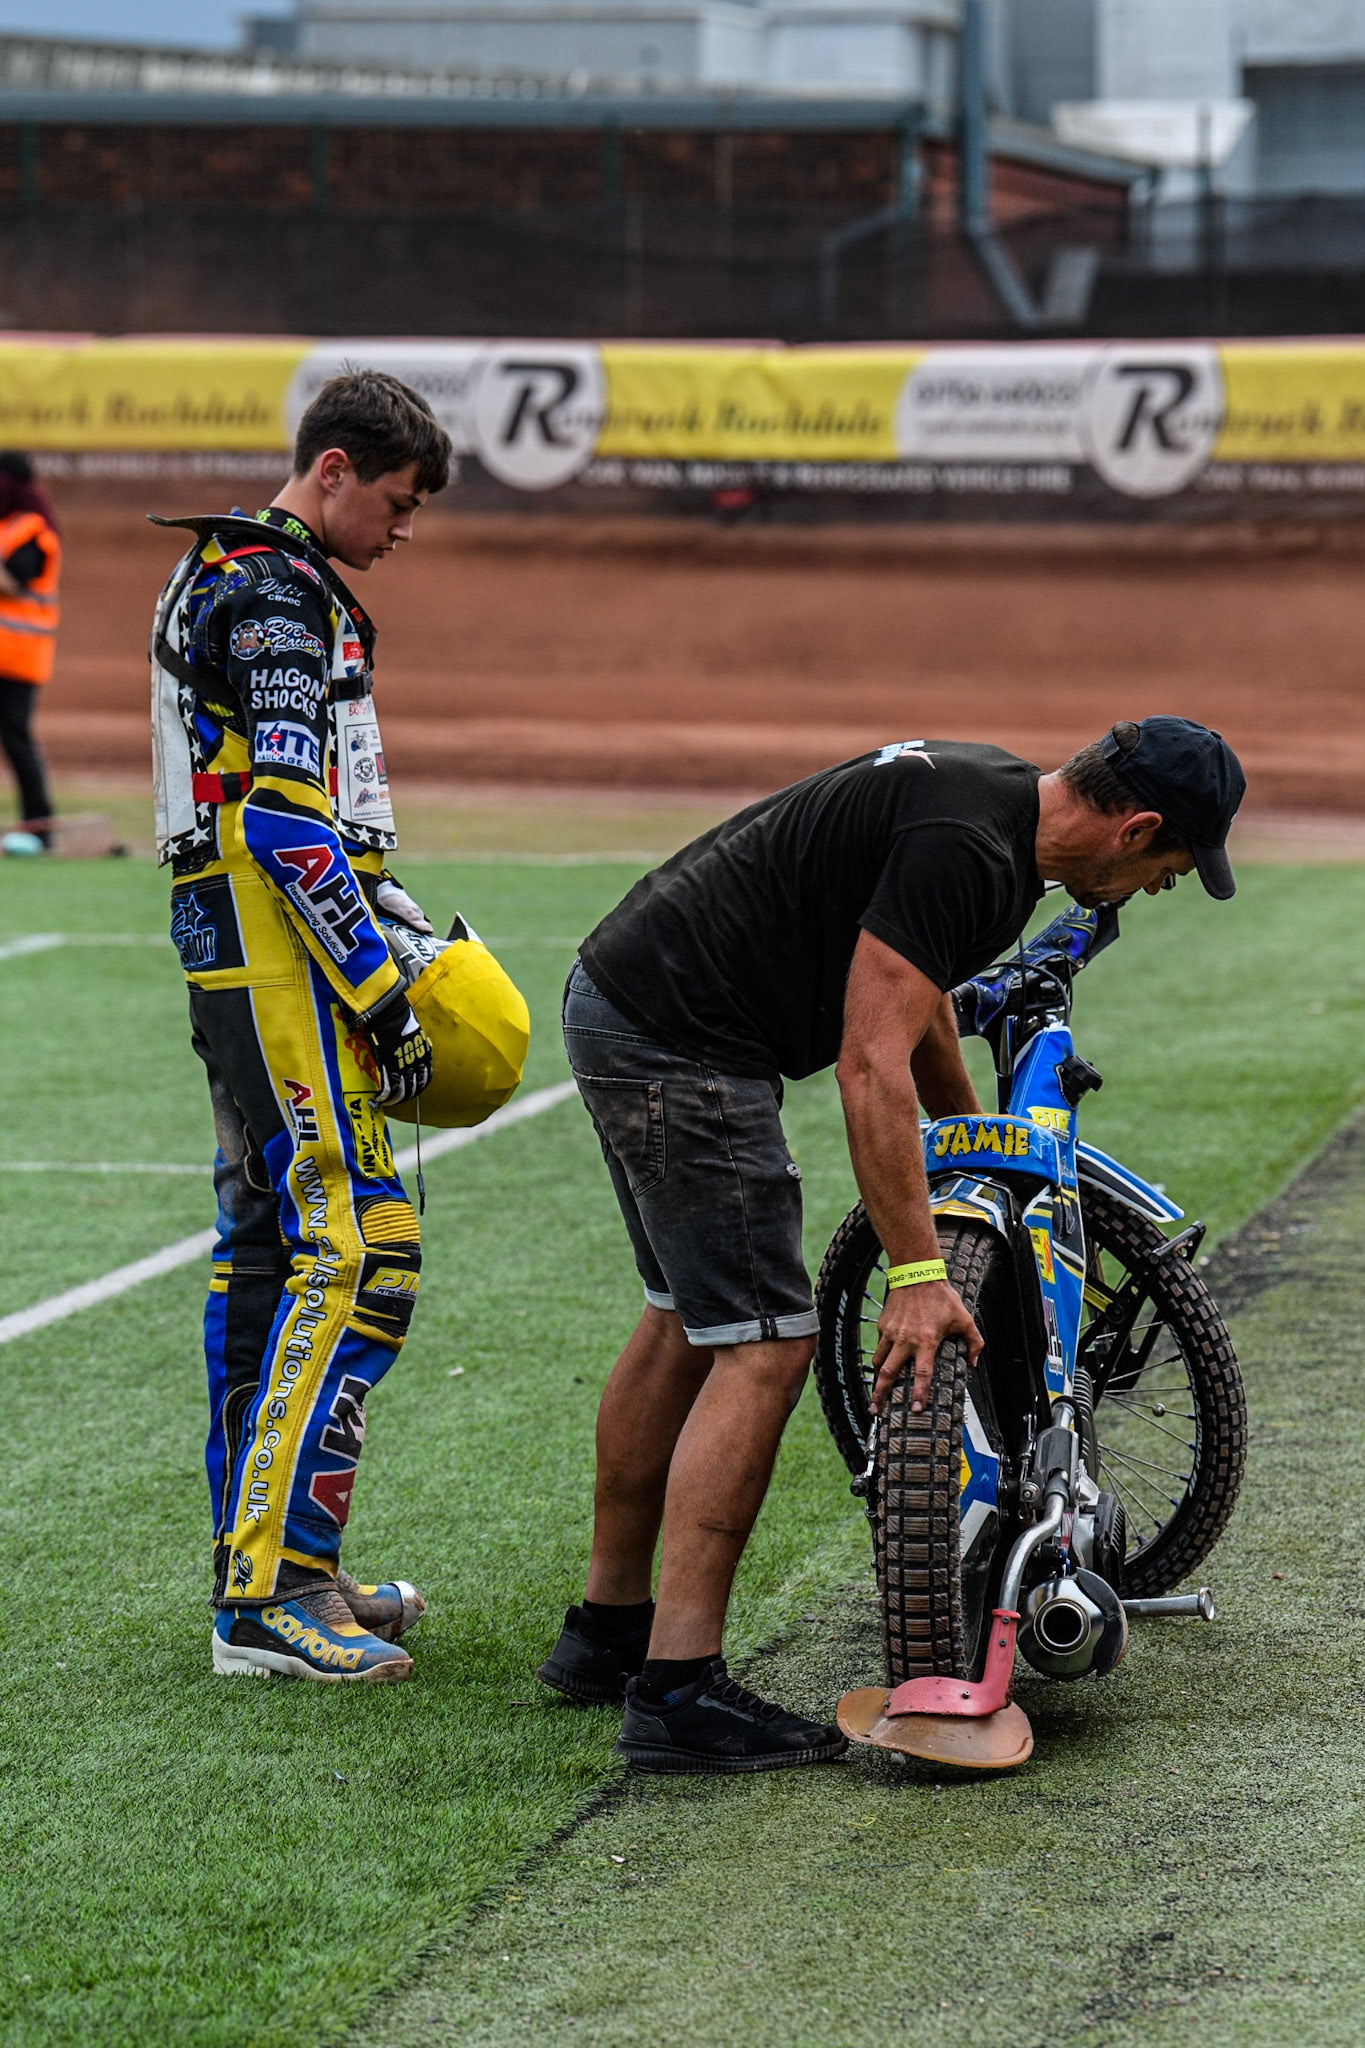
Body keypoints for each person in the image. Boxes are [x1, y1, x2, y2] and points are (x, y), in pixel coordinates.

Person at [539, 717, 1246, 1771]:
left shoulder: (992, 806)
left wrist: (975, 1154)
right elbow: (868, 1062)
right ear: (1136, 827)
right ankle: (677, 1688)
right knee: (767, 1342)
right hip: (684, 1040)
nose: (1156, 888)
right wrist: (916, 1273)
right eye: (1170, 870)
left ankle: (605, 1633)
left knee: (687, 1318)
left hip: (629, 995)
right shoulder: (973, 851)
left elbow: (910, 1014)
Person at [150, 370, 451, 1683]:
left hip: (229, 951)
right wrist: (380, 989)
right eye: (393, 501)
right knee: (357, 1243)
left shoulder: (233, 569)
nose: (400, 529)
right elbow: (281, 819)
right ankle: (268, 1598)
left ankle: (271, 1568)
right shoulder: (272, 590)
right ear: (332, 469)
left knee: (266, 1250)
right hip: (275, 963)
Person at [0, 451, 61, 848]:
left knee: (16, 738)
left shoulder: (33, 530)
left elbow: (15, 582)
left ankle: (39, 823)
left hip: (17, 655)